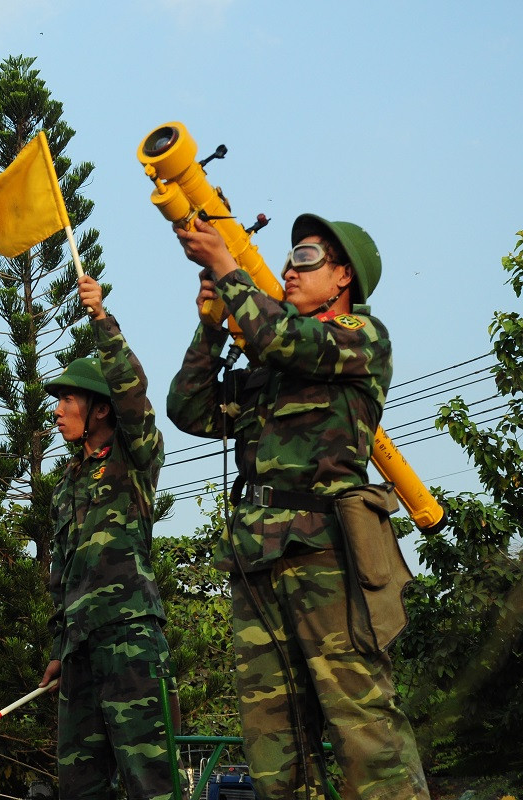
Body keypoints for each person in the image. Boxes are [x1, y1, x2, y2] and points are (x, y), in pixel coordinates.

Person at [166, 214, 429, 800]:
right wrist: (210, 329)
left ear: (343, 277)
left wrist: (227, 266)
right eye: (287, 259)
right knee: (273, 738)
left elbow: (283, 338)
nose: (289, 269)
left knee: (360, 720)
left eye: (306, 258)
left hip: (325, 553)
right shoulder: (270, 365)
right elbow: (189, 409)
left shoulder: (361, 337)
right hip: (256, 557)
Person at [40, 274, 179, 800]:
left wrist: (100, 318)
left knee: (150, 782)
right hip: (79, 651)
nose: (57, 411)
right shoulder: (65, 485)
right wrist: (60, 648)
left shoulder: (134, 456)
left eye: (68, 399)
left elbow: (132, 392)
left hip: (130, 638)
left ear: (100, 407)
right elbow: (62, 577)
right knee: (79, 788)